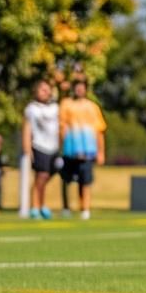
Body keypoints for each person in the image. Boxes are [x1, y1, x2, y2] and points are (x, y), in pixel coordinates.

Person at [59, 78, 107, 221]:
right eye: (77, 87)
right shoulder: (66, 104)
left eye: (82, 87)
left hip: (87, 151)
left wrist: (101, 152)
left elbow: (99, 131)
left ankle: (85, 208)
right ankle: (66, 208)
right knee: (65, 180)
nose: (79, 90)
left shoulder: (93, 107)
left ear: (86, 89)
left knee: (85, 181)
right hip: (70, 150)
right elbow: (61, 128)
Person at [22, 79, 60, 219]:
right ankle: (35, 207)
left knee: (47, 176)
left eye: (47, 89)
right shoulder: (32, 108)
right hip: (39, 146)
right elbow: (27, 129)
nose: (44, 92)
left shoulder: (55, 107)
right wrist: (27, 150)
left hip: (54, 148)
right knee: (41, 176)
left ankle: (42, 204)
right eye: (41, 89)